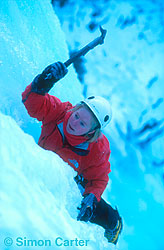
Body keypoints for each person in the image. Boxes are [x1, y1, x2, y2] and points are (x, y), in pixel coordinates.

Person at [22, 62, 123, 244]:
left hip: (75, 179)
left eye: (82, 124)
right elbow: (32, 103)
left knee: (87, 205)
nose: (74, 123)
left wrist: (91, 197)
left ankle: (114, 223)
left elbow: (99, 179)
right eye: (77, 115)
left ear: (91, 133)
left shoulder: (97, 149)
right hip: (44, 167)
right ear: (74, 109)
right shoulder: (59, 113)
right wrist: (42, 84)